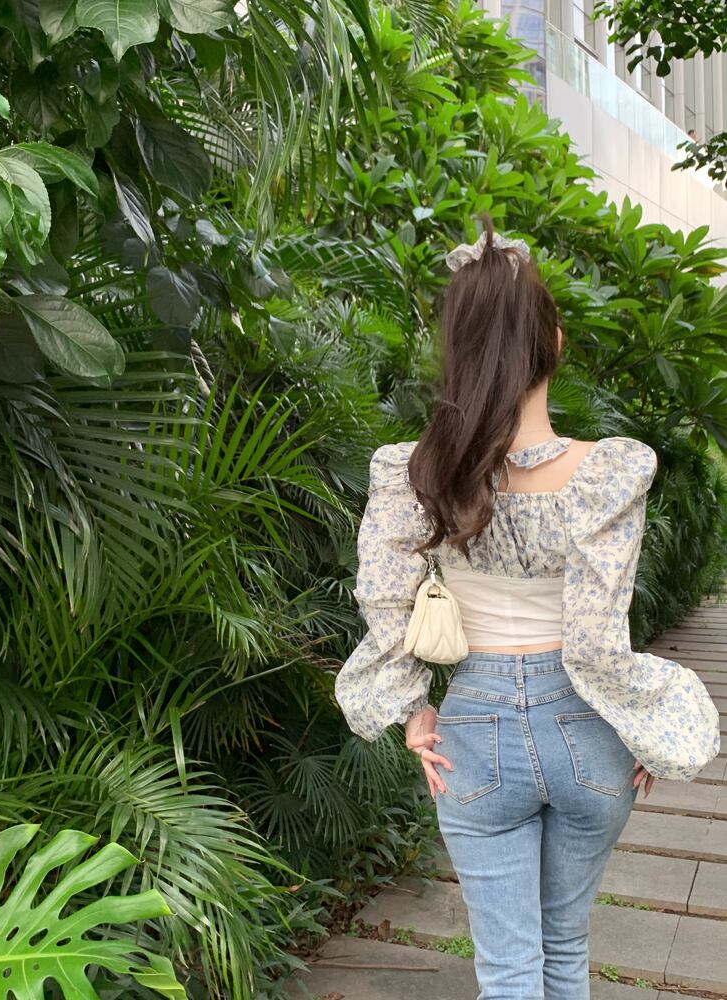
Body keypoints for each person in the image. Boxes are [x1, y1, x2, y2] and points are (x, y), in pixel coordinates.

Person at [334, 214, 720, 999]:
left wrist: (412, 710)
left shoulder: (417, 474)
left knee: (509, 973)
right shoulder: (606, 473)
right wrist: (642, 718)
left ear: (457, 350)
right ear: (556, 344)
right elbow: (598, 637)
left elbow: (384, 597)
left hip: (473, 735)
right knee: (566, 950)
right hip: (588, 730)